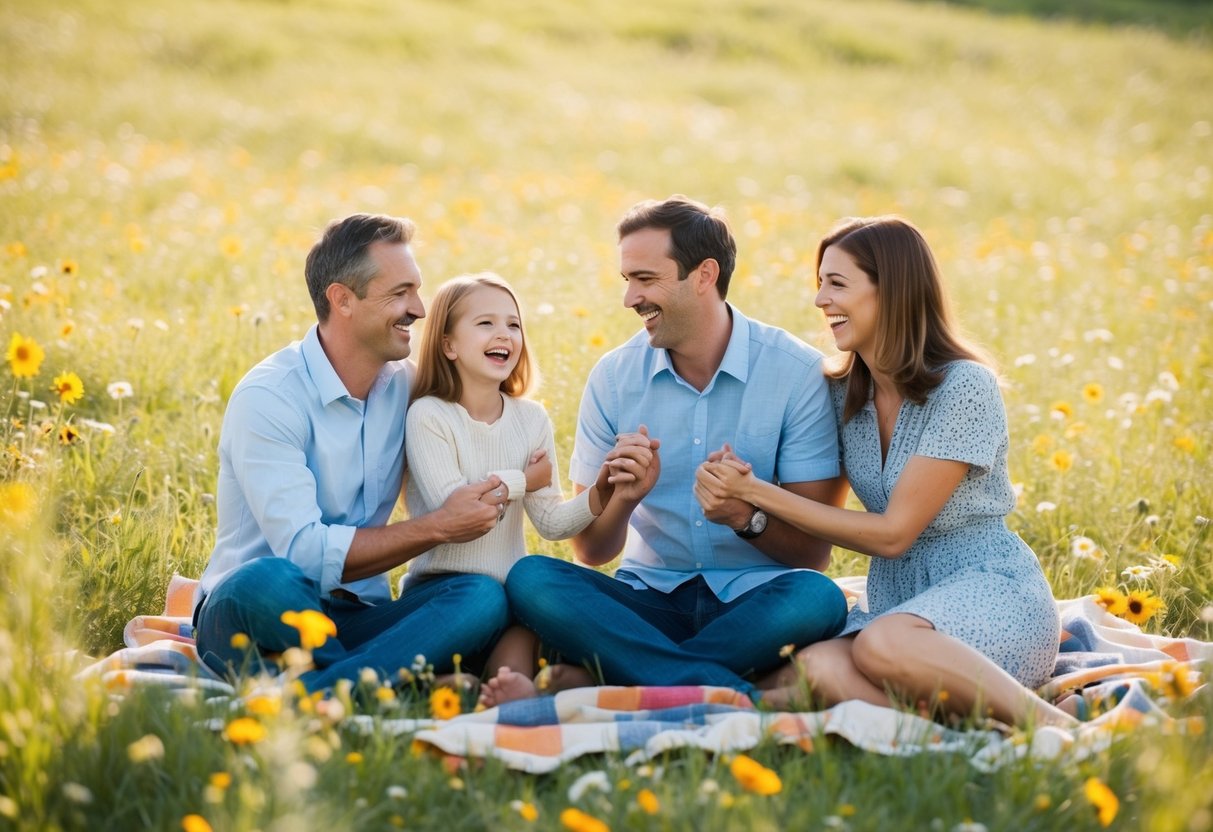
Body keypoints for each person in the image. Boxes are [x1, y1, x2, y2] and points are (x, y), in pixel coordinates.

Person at [695, 216, 1076, 727]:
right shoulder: (840, 392)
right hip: (899, 600)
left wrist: (758, 493)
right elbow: (813, 508)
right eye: (820, 283)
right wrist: (737, 492)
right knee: (814, 666)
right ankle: (979, 725)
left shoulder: (964, 387)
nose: (820, 300)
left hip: (990, 592)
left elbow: (894, 533)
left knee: (881, 644)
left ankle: (1050, 726)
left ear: (890, 291)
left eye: (837, 284)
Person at [502, 195, 849, 704]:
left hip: (755, 605)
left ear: (704, 275)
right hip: (647, 601)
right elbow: (591, 552)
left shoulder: (797, 374)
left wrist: (743, 517)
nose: (630, 299)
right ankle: (726, 690)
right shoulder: (614, 378)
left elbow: (815, 554)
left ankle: (632, 675)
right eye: (628, 281)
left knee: (817, 598)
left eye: (646, 279)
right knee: (533, 577)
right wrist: (620, 496)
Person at [192, 213, 512, 692]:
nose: (420, 310)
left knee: (481, 596)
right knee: (269, 578)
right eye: (400, 293)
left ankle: (321, 690)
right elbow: (303, 555)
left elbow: (478, 427)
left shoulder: (407, 389)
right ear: (341, 299)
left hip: (356, 616)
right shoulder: (270, 397)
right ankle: (381, 679)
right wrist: (440, 524)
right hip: (255, 614)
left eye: (417, 291)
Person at [403, 272, 622, 702]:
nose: (504, 334)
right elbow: (461, 509)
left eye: (514, 324)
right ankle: (442, 679)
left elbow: (552, 523)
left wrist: (602, 490)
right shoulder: (429, 416)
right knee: (482, 603)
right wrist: (525, 480)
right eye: (485, 323)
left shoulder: (531, 420)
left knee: (524, 624)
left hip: (506, 597)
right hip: (445, 594)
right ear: (448, 345)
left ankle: (499, 689)